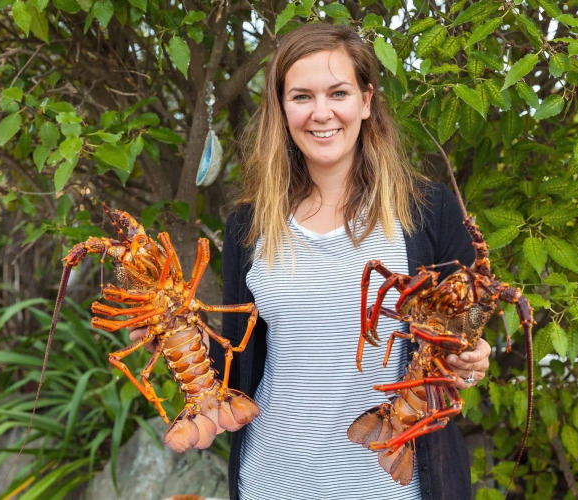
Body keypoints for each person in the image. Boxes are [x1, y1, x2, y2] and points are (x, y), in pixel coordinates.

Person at [133, 22, 490, 500]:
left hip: (393, 487)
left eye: (338, 93)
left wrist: (472, 359)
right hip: (274, 479)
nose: (322, 113)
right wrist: (174, 339)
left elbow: (463, 336)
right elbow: (240, 362)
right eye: (301, 96)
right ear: (282, 109)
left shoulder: (430, 210)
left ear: (366, 101)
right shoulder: (249, 224)